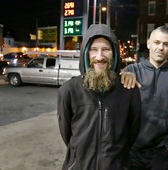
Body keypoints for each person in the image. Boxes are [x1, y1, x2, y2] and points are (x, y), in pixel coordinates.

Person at [57, 24, 141, 170]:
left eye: (106, 49)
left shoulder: (128, 90)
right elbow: (67, 134)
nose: (100, 57)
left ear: (114, 53)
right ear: (85, 53)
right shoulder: (68, 90)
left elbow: (132, 132)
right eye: (93, 50)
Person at [123, 25, 168, 170]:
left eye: (166, 44)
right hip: (131, 153)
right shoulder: (131, 71)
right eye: (156, 42)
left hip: (162, 155)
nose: (160, 48)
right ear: (148, 43)